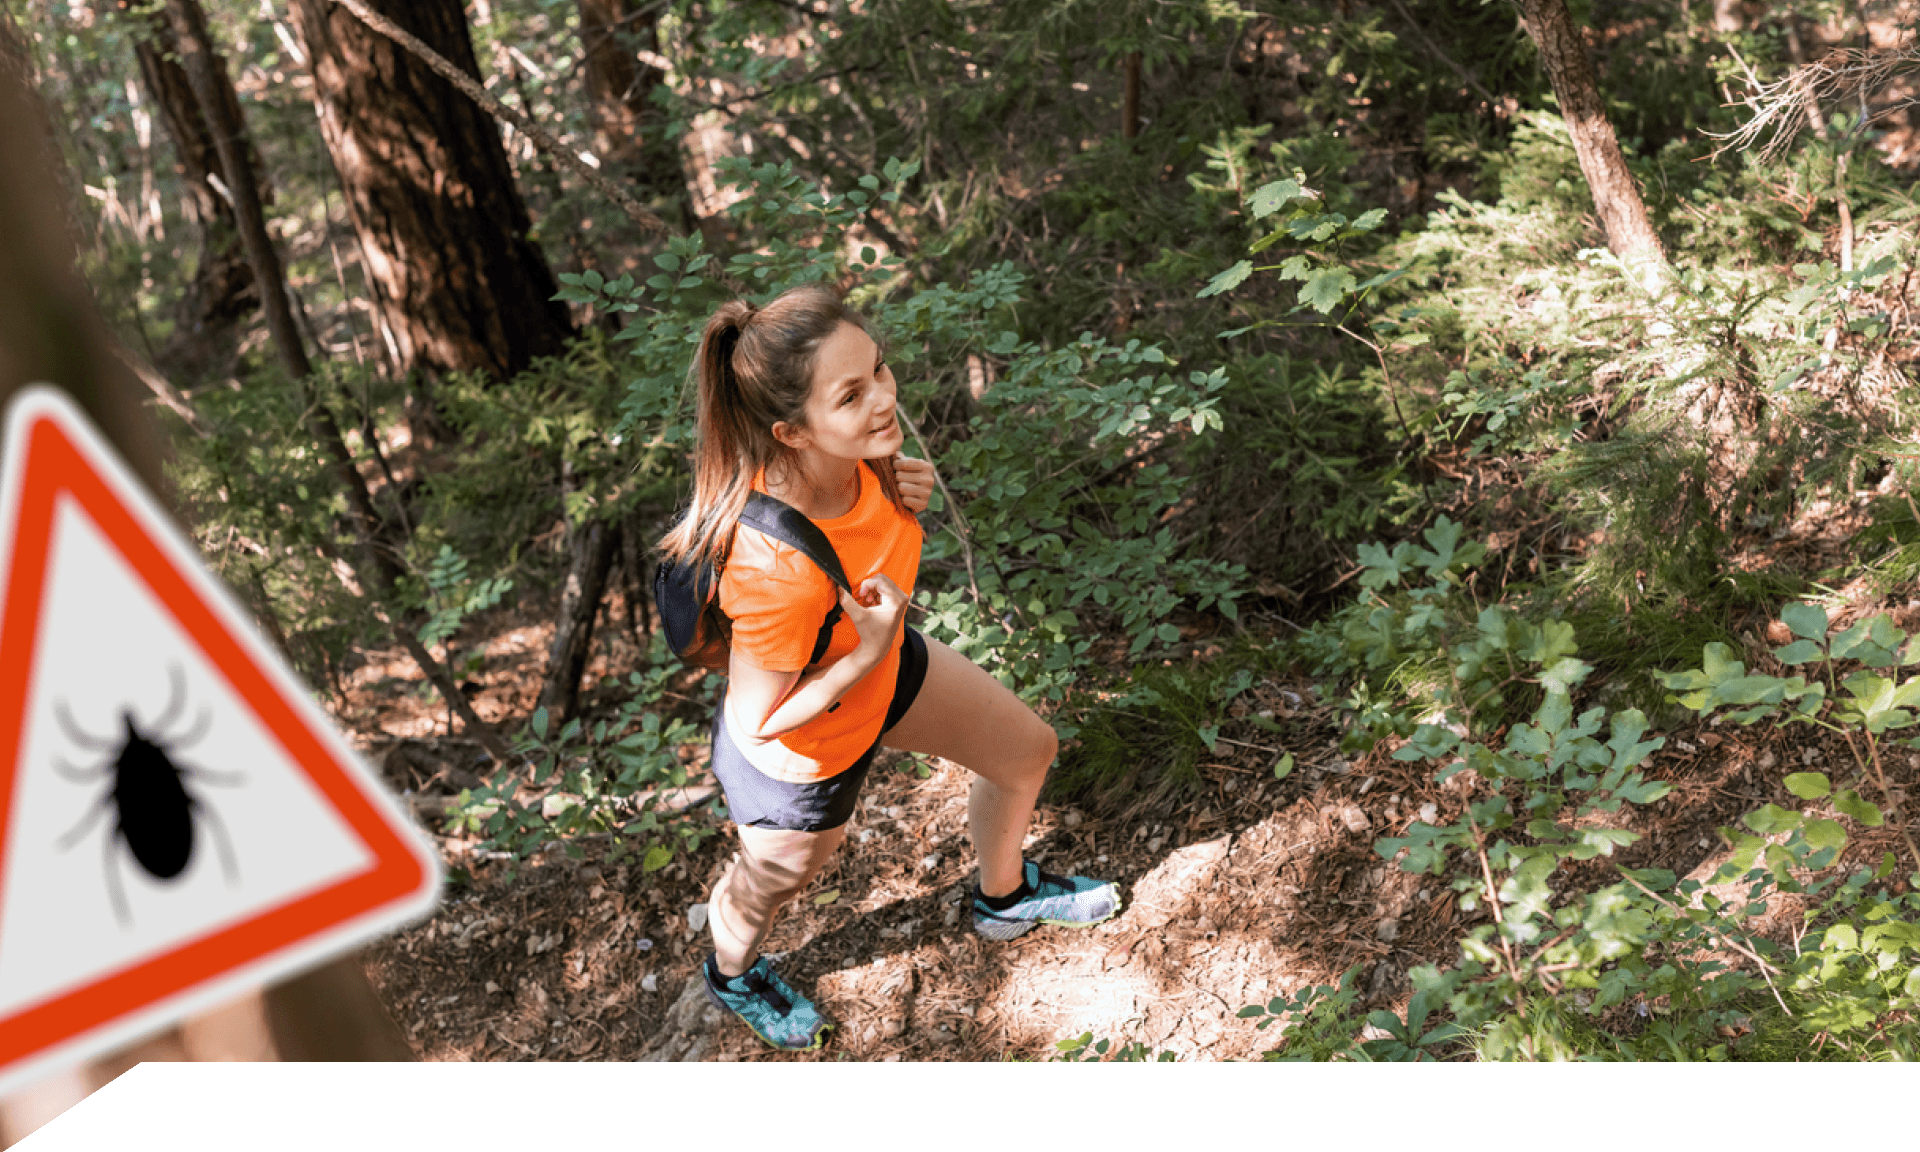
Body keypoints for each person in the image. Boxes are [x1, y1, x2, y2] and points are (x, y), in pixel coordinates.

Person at [657, 282, 1120, 1051]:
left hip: (883, 673)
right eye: (850, 395)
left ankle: (1004, 897)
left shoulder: (865, 461)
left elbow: (873, 554)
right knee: (771, 886)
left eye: (877, 369)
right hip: (802, 754)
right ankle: (731, 974)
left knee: (1026, 752)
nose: (883, 399)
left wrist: (907, 500)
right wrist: (868, 649)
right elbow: (758, 720)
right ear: (792, 433)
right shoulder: (772, 568)